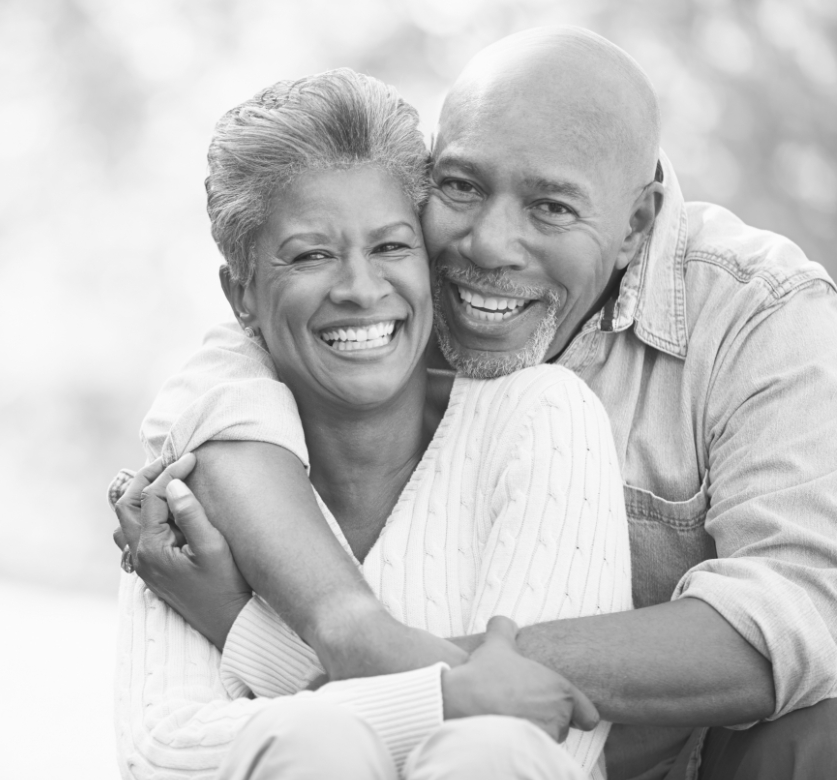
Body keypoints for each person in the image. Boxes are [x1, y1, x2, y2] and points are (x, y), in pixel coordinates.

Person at [117, 26, 837, 780]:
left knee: (821, 728)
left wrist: (290, 637)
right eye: (460, 185)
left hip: (671, 754)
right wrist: (363, 640)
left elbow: (799, 610)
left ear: (635, 224)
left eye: (551, 207)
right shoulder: (385, 266)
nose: (489, 244)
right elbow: (214, 398)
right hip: (421, 752)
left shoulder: (758, 312)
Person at [112, 68, 633, 780]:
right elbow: (165, 749)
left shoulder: (538, 419)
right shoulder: (197, 477)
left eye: (390, 246)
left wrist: (240, 626)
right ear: (240, 293)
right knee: (312, 745)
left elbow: (533, 740)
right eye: (312, 255)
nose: (360, 289)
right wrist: (444, 697)